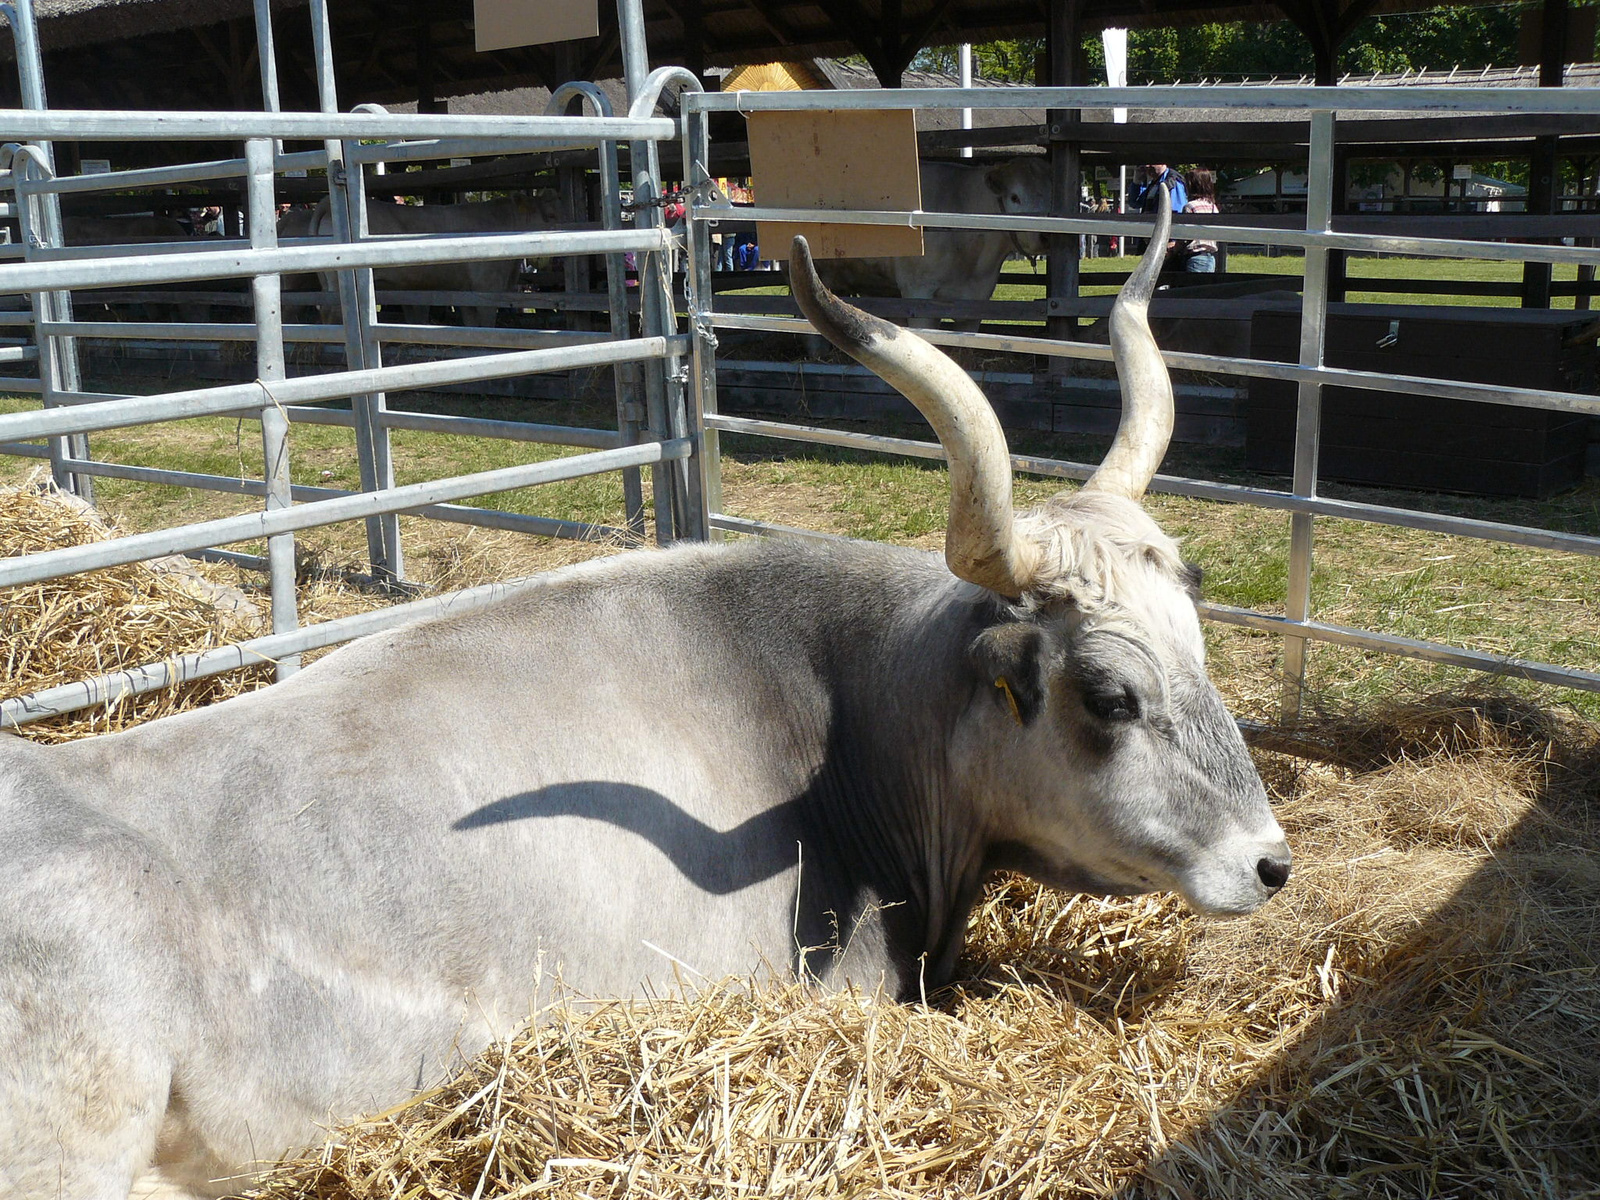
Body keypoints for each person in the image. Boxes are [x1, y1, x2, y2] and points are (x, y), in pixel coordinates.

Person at [1182, 168, 1220, 273]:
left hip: (1195, 256)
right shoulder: (1213, 207)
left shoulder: (1190, 206)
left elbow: (1185, 234)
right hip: (1210, 257)